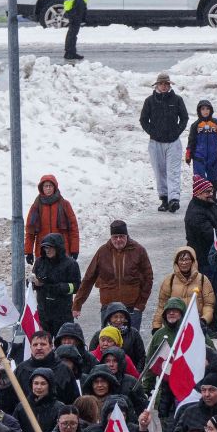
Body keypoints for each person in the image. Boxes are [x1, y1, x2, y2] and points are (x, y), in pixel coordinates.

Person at [75, 219, 154, 315]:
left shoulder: (139, 251)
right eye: (115, 237)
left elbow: (148, 279)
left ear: (127, 236)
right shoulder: (102, 252)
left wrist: (140, 304)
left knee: (130, 331)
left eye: (121, 236)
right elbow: (88, 278)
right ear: (111, 237)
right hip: (108, 308)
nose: (118, 240)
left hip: (131, 308)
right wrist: (77, 304)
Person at [142, 72, 190, 214]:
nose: (163, 86)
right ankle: (164, 198)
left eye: (166, 84)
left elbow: (184, 118)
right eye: (161, 84)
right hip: (155, 142)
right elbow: (143, 119)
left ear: (169, 85)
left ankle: (174, 199)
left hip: (173, 141)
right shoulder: (150, 101)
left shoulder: (177, 100)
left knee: (173, 171)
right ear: (157, 85)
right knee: (159, 171)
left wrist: (177, 131)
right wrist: (152, 132)